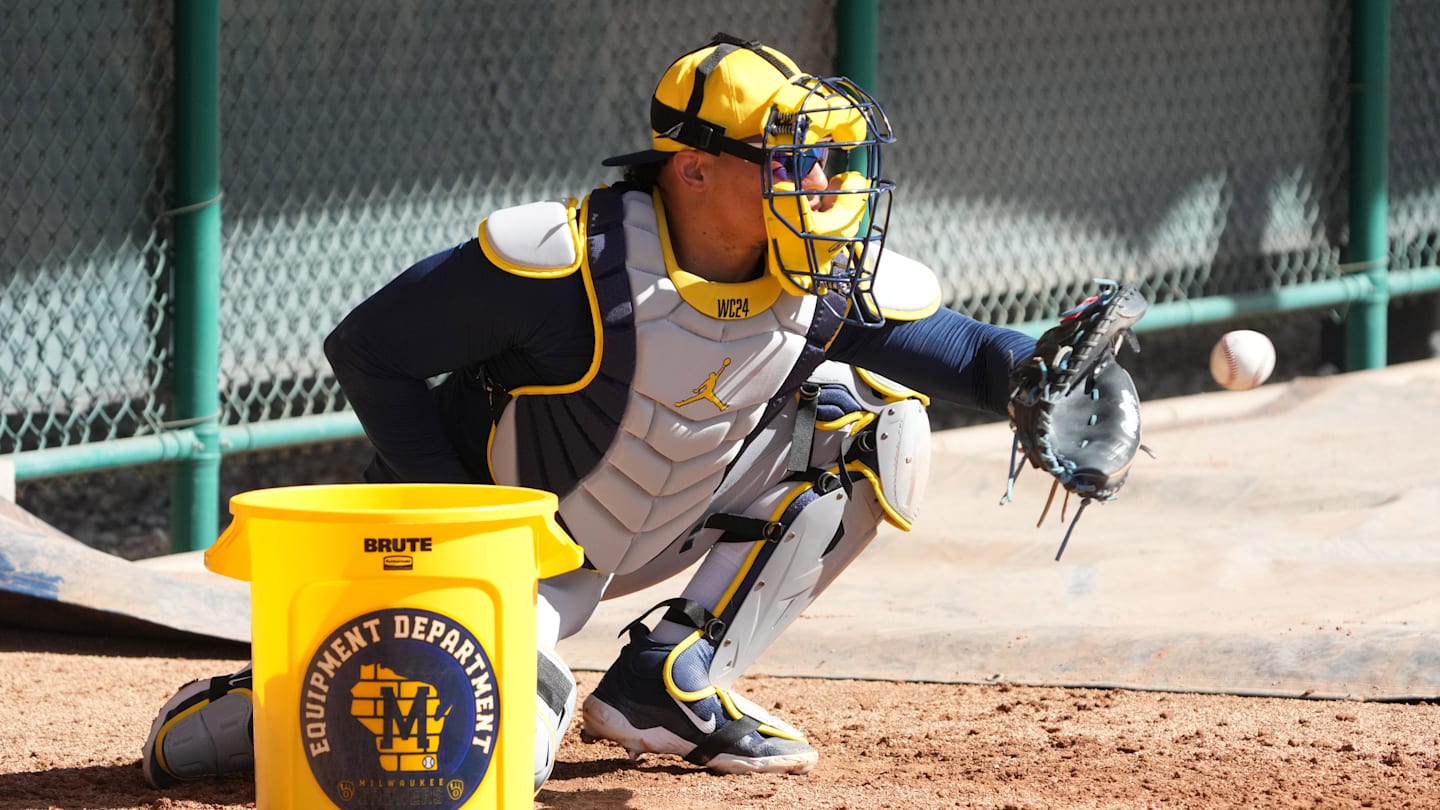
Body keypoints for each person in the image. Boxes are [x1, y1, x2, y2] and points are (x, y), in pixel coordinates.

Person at [142, 32, 1041, 793]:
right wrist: (472, 537)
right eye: (793, 160)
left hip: (655, 529)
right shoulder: (564, 264)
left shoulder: (819, 269)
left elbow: (968, 354)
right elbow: (368, 352)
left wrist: (1045, 376)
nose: (822, 184)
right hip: (498, 565)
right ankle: (285, 683)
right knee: (477, 766)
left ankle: (673, 682)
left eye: (830, 159)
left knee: (878, 420)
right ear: (692, 168)